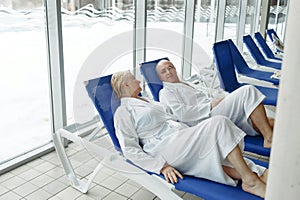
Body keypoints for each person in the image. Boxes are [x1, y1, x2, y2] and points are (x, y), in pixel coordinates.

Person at [111, 70, 267, 198]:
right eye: (134, 79)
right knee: (218, 123)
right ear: (126, 84)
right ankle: (250, 180)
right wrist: (161, 167)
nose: (138, 81)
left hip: (180, 136)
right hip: (164, 148)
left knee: (219, 140)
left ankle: (256, 174)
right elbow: (129, 149)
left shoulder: (147, 101)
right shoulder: (123, 112)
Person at [156, 59, 274, 148]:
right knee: (248, 91)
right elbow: (182, 114)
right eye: (163, 71)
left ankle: (284, 140)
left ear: (175, 69)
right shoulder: (166, 92)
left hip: (216, 110)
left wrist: (222, 99)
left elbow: (208, 95)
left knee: (269, 121)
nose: (168, 71)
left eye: (170, 67)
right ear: (160, 77)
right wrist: (210, 105)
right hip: (205, 118)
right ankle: (268, 138)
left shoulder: (185, 83)